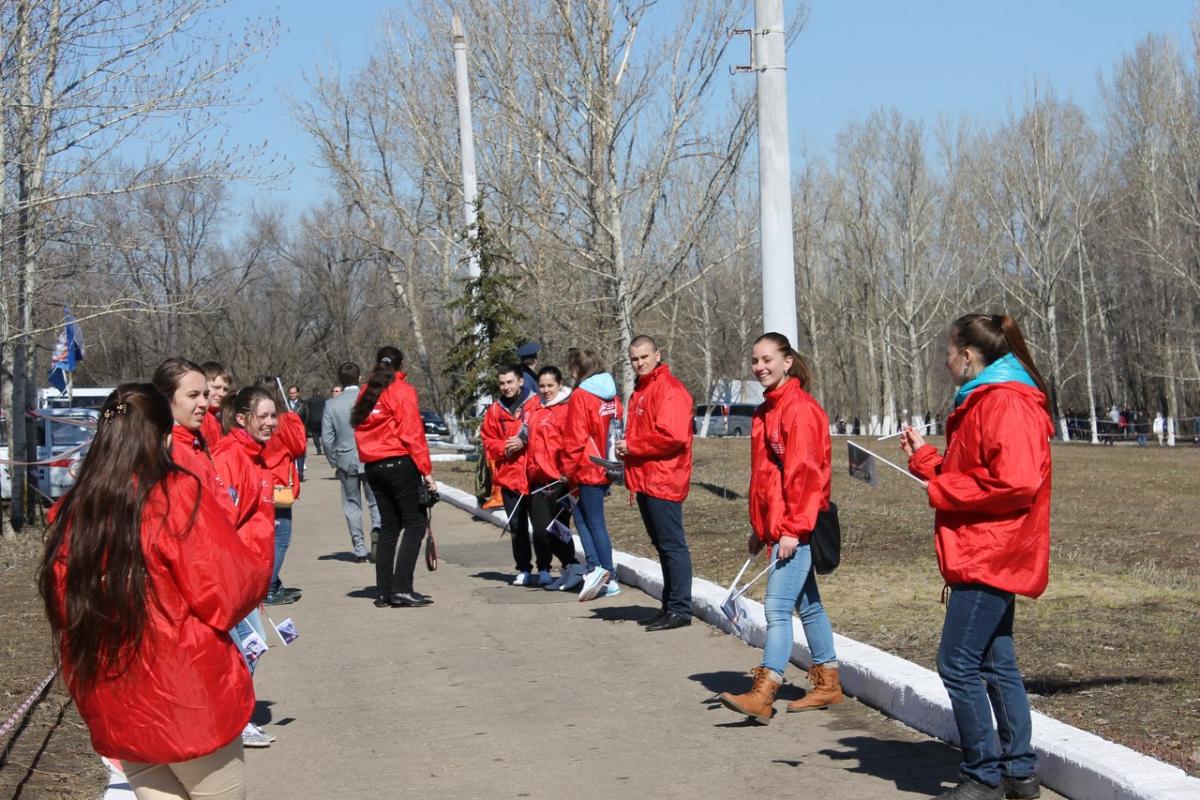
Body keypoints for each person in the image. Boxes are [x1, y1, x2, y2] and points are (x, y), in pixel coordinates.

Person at [39, 385, 272, 799]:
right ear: (163, 438)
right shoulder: (173, 495)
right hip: (188, 696)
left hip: (117, 698)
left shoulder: (73, 512)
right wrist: (258, 530)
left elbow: (64, 607)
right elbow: (228, 593)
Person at [900, 313, 1053, 800]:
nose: (945, 361)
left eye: (948, 352)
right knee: (994, 662)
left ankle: (983, 776)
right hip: (984, 546)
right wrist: (927, 459)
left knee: (957, 664)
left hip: (992, 550)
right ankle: (1019, 772)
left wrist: (944, 488)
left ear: (968, 355)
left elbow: (1017, 481)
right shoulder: (987, 399)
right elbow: (975, 469)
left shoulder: (1004, 401)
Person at [717, 332, 842, 722]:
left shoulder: (800, 409)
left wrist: (791, 528)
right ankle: (828, 683)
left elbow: (806, 475)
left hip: (799, 526)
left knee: (776, 607)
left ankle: (765, 690)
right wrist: (762, 527)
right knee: (809, 604)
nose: (760, 367)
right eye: (755, 361)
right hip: (782, 526)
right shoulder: (765, 410)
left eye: (767, 359)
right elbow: (766, 478)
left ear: (788, 361)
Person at [211, 386, 284, 747]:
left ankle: (233, 719)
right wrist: (238, 574)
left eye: (274, 415)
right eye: (264, 416)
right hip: (235, 575)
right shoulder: (230, 457)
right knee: (247, 649)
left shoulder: (257, 456)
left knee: (250, 649)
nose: (271, 422)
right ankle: (233, 723)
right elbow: (224, 522)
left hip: (253, 575)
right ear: (242, 418)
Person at [614, 336, 695, 631]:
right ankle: (669, 606)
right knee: (662, 546)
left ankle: (680, 608)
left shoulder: (669, 389)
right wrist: (625, 448)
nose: (640, 363)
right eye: (634, 359)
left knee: (672, 545)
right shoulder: (642, 389)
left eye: (645, 357)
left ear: (657, 354)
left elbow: (672, 436)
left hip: (665, 478)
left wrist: (632, 446)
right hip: (646, 478)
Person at [352, 346, 436, 608]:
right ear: (401, 365)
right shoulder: (401, 391)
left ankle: (384, 592)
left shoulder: (366, 392)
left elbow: (359, 429)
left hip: (373, 466)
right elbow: (412, 433)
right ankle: (402, 588)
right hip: (399, 462)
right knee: (415, 523)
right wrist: (426, 470)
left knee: (389, 527)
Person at [561, 348, 623, 601]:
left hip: (585, 466)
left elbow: (575, 436)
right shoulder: (611, 394)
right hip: (606, 463)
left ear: (577, 369)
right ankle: (597, 569)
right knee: (588, 521)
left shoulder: (582, 396)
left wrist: (566, 469)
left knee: (593, 522)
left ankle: (606, 573)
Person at [480, 363, 543, 585]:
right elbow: (488, 441)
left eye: (510, 382)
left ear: (520, 382)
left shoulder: (536, 404)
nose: (506, 387)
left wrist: (524, 441)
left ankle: (544, 567)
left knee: (541, 525)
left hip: (535, 474)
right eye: (502, 383)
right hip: (509, 476)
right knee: (517, 526)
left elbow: (546, 434)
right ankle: (524, 568)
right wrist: (506, 447)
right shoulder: (495, 411)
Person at [322, 362, 382, 563]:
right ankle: (378, 532)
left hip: (345, 459)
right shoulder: (370, 399)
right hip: (371, 456)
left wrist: (334, 461)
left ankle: (359, 549)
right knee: (375, 501)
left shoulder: (332, 404)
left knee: (351, 504)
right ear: (359, 377)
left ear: (340, 380)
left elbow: (326, 439)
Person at [259, 379, 307, 605]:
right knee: (280, 539)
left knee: (267, 538)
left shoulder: (254, 420)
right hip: (278, 483)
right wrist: (294, 421)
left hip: (260, 482)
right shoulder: (282, 420)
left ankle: (273, 583)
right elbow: (298, 447)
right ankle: (267, 587)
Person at [200, 361, 234, 445]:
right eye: (216, 388)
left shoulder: (224, 416)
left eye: (225, 389)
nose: (221, 394)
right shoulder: (200, 416)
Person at [287, 384, 307, 480]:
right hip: (288, 433)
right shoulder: (285, 404)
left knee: (300, 452)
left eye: (294, 393)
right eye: (290, 393)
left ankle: (300, 472)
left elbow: (307, 417)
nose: (292, 395)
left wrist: (304, 429)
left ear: (298, 393)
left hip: (300, 432)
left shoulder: (303, 404)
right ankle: (291, 473)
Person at [306, 387, 326, 456]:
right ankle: (326, 448)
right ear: (319, 392)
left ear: (312, 392)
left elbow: (307, 411)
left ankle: (318, 449)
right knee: (324, 435)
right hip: (322, 419)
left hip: (313, 419)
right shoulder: (323, 400)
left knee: (315, 436)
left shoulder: (308, 401)